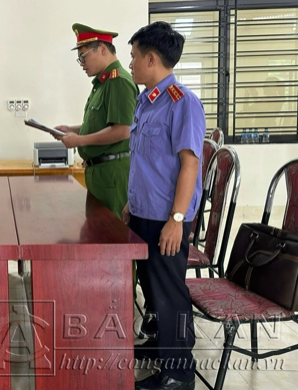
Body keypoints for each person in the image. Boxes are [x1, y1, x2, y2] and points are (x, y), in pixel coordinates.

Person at [125, 21, 205, 390]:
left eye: (134, 57)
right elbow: (146, 162)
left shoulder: (182, 102)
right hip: (143, 213)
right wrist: (131, 204)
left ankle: (178, 373)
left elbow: (189, 163)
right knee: (152, 289)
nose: (131, 63)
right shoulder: (146, 102)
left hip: (165, 219)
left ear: (152, 59)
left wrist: (176, 219)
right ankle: (160, 348)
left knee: (169, 293)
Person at [55, 23, 138, 219]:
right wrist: (72, 129)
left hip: (113, 174)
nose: (81, 63)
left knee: (112, 233)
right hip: (99, 172)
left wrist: (79, 140)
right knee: (96, 230)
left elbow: (122, 130)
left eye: (83, 57)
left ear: (102, 49)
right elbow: (100, 125)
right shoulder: (103, 83)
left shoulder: (118, 81)